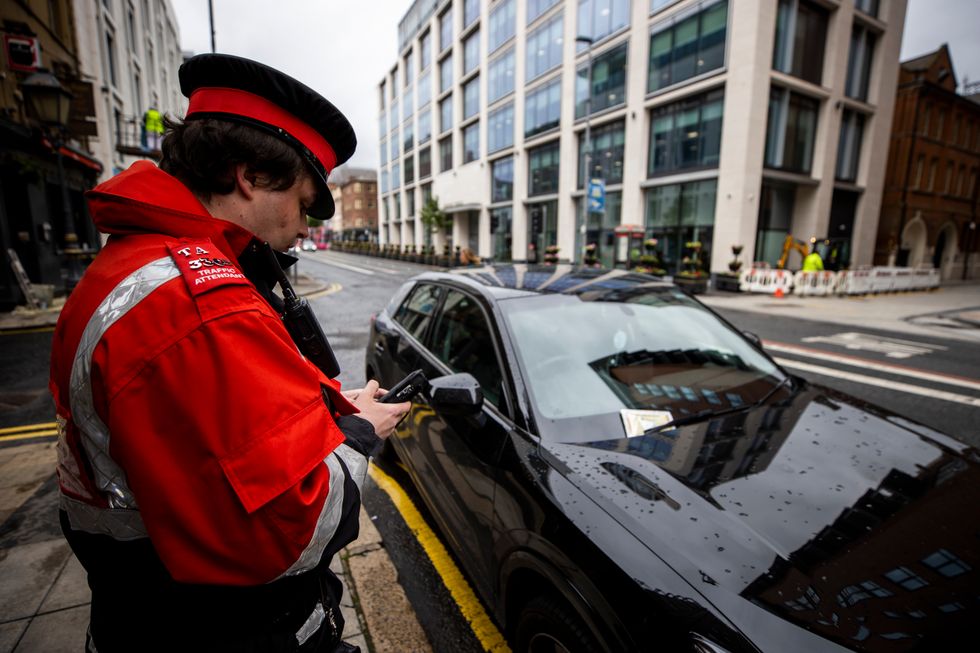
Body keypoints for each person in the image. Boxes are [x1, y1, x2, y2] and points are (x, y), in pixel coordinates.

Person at [49, 54, 410, 653]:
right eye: (301, 201)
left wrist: (321, 411)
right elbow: (284, 533)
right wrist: (357, 433)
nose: (304, 228)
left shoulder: (137, 265)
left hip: (142, 616)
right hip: (225, 630)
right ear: (247, 176)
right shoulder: (198, 309)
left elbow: (207, 440)